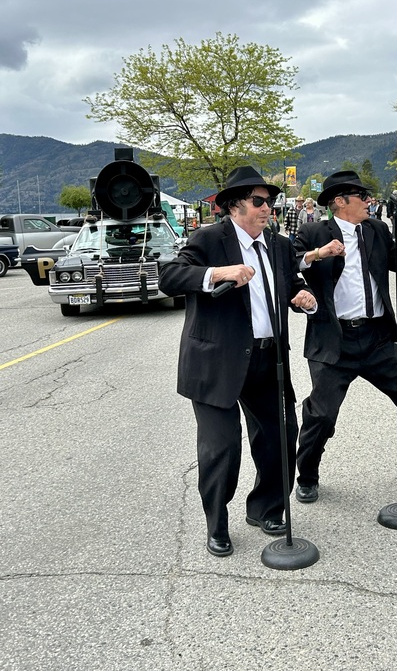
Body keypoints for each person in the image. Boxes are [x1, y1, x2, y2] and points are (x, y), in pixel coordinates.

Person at [158, 166, 317, 558]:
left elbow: (291, 280)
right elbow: (171, 276)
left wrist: (302, 294)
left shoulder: (278, 246)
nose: (267, 208)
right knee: (221, 448)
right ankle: (217, 523)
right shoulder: (208, 239)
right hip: (217, 363)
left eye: (271, 201)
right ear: (233, 206)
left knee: (280, 437)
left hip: (268, 359)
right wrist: (217, 273)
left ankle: (266, 508)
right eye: (259, 201)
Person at [293, 170, 397, 503]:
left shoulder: (376, 229)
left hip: (377, 337)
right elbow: (292, 264)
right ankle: (308, 475)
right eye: (362, 196)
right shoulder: (313, 231)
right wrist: (319, 254)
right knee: (322, 415)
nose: (369, 201)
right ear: (339, 202)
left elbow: (395, 263)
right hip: (334, 338)